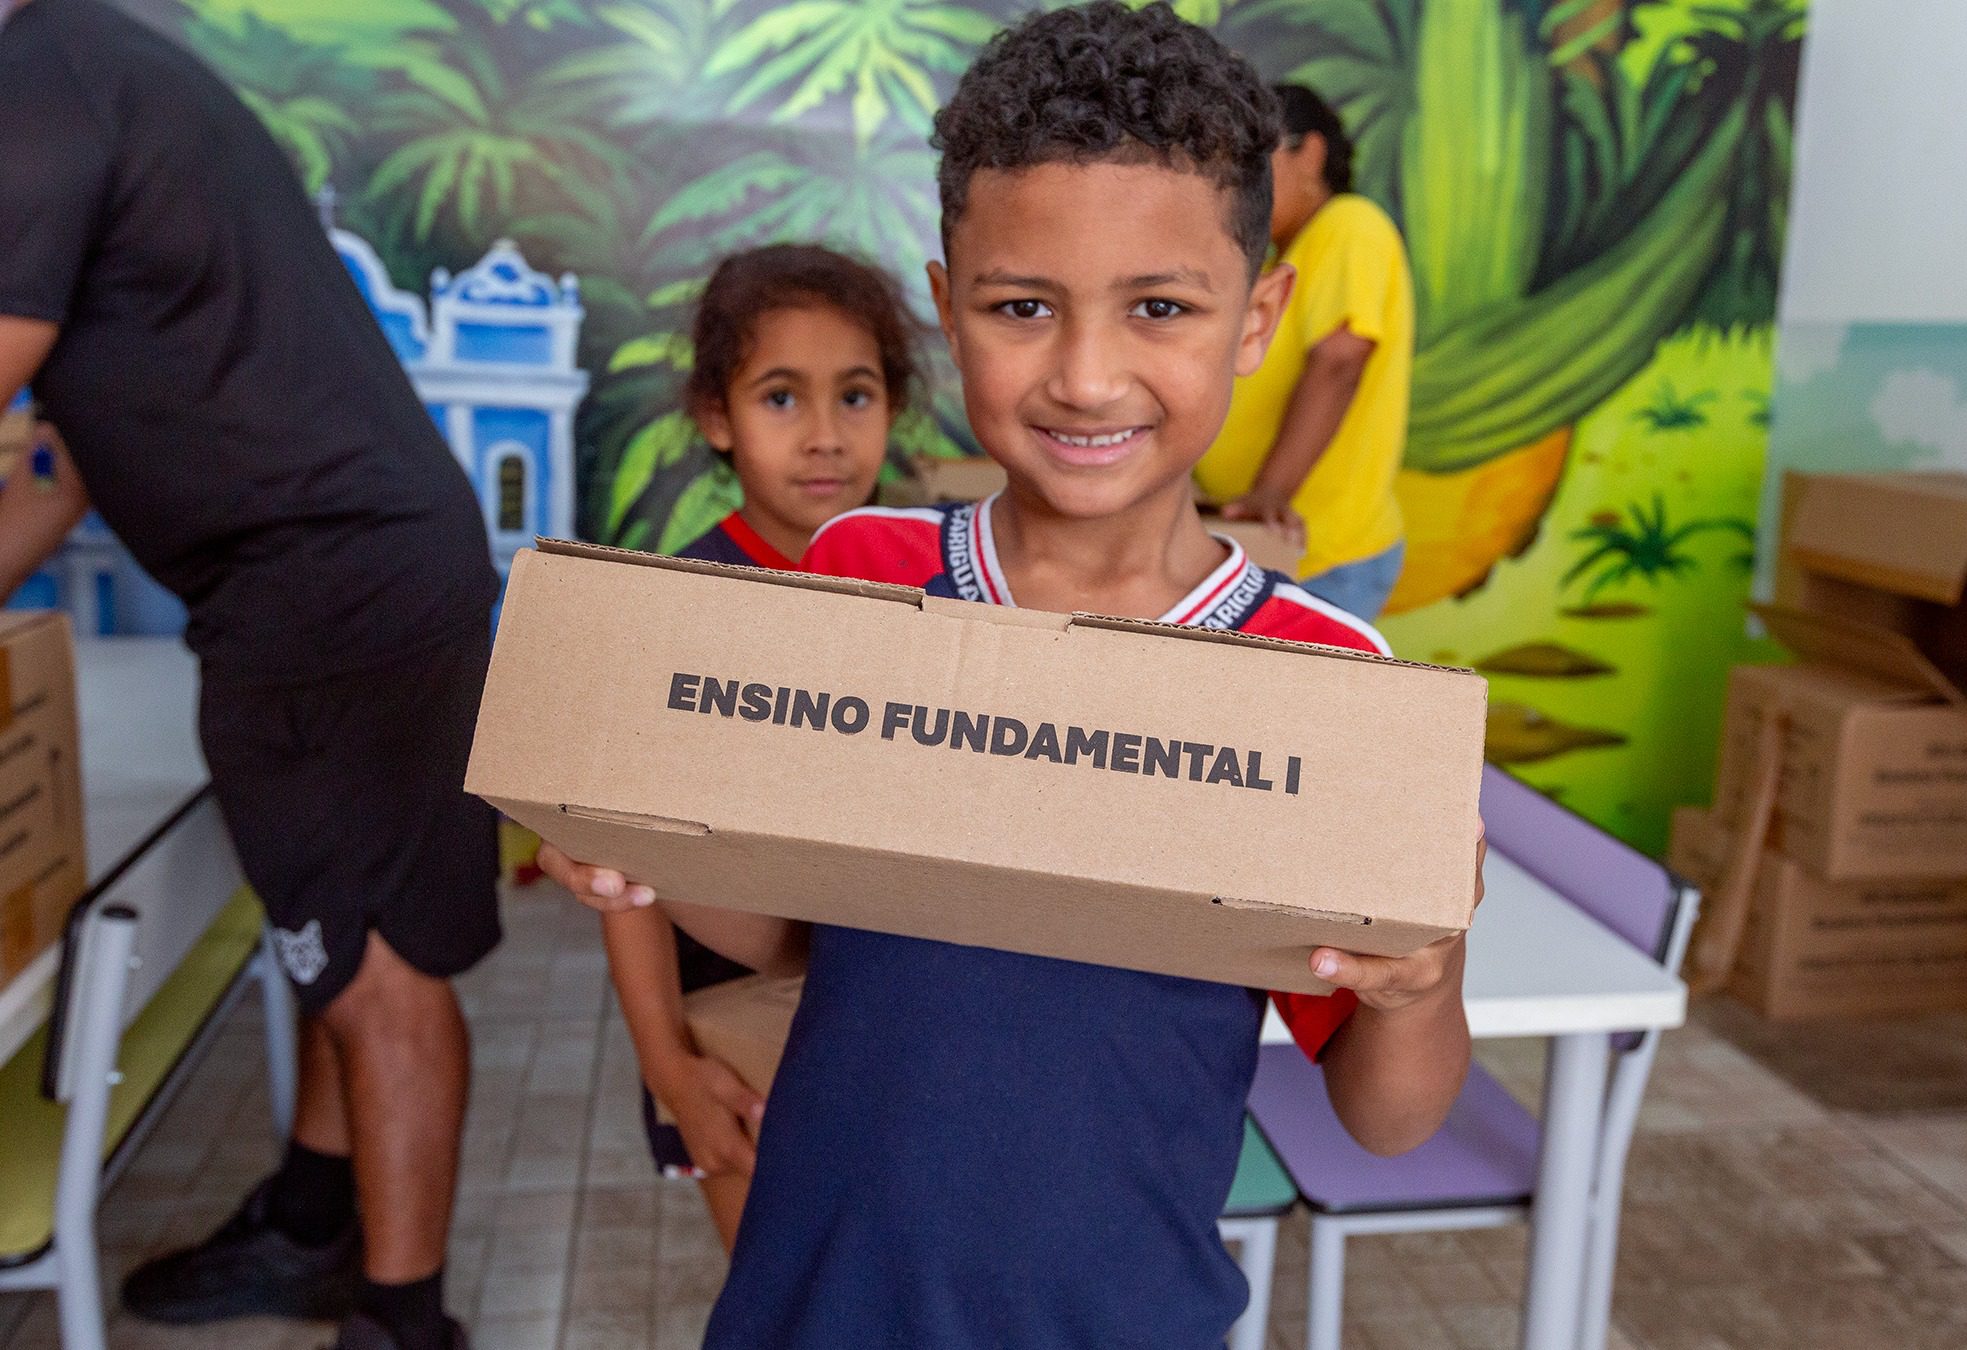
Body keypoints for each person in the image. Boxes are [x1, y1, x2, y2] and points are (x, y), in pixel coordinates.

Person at [539, 6, 1481, 1346]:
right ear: (947, 309)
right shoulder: (861, 577)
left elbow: (1390, 1118)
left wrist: (1422, 982)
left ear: (1257, 316)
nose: (1087, 378)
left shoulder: (1321, 685)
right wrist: (636, 844)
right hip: (815, 1308)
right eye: (1023, 308)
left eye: (1160, 308)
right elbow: (809, 939)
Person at [0, 3, 501, 1347]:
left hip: (328, 593)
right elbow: (61, 467)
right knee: (329, 932)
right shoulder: (99, 72)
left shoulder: (37, 81)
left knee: (380, 967)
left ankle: (400, 1323)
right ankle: (314, 1221)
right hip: (334, 581)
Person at [604, 243, 917, 1249]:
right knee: (777, 1288)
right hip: (727, 1031)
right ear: (715, 415)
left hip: (896, 1016)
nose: (825, 436)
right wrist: (670, 1066)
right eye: (781, 398)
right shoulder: (679, 612)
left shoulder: (937, 599)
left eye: (855, 396)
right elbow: (622, 870)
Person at [1203, 82, 1416, 621]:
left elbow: (1340, 363)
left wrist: (1271, 491)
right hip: (1273, 546)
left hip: (1318, 554)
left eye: (1254, 161)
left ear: (1311, 153)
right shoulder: (1282, 258)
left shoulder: (1349, 226)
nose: (1238, 184)